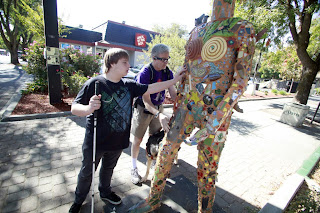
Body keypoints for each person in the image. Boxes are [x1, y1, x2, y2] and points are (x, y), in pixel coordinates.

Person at [128, 0, 256, 212]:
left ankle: (204, 210)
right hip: (186, 109)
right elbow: (186, 73)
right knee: (165, 152)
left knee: (207, 169)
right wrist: (175, 108)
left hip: (215, 114)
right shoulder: (198, 30)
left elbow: (240, 83)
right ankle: (153, 199)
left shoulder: (243, 29)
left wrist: (214, 122)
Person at [68, 48, 185, 213]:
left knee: (108, 169)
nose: (129, 65)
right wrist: (88, 108)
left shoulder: (129, 85)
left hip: (117, 141)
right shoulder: (95, 84)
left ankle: (106, 191)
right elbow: (74, 108)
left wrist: (175, 80)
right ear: (112, 63)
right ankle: (79, 200)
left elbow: (152, 88)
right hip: (96, 141)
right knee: (87, 172)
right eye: (125, 62)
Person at [130, 44, 177, 184]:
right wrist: (159, 115)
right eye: (162, 59)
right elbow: (146, 102)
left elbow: (173, 93)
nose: (165, 62)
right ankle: (133, 167)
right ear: (153, 57)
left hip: (158, 107)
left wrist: (183, 101)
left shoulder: (167, 72)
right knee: (137, 140)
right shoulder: (145, 73)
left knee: (155, 138)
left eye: (167, 59)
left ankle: (154, 162)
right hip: (144, 109)